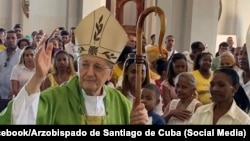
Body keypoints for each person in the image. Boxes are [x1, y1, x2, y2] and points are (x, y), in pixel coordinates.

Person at [0, 6, 148, 125]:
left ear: (110, 73)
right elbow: (16, 118)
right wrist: (38, 76)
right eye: (84, 64)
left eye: (97, 67)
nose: (89, 73)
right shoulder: (55, 99)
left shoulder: (122, 104)